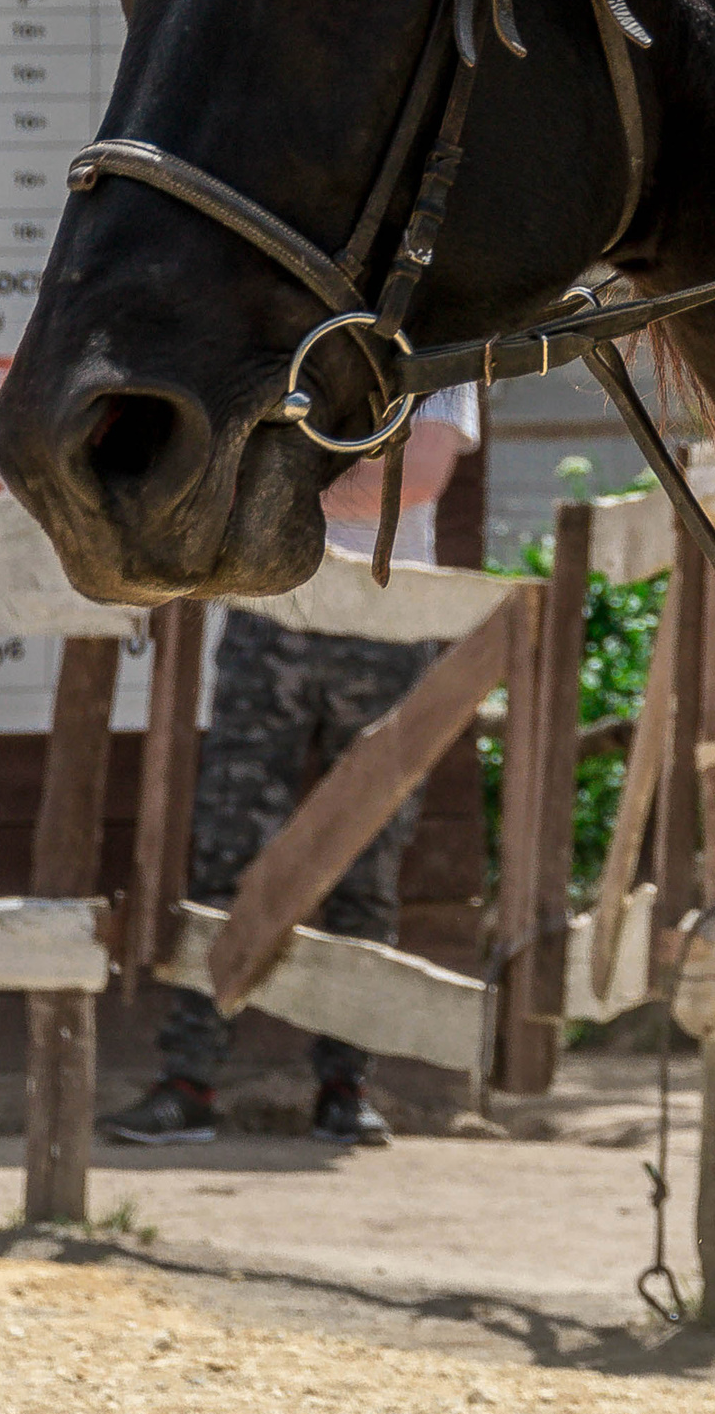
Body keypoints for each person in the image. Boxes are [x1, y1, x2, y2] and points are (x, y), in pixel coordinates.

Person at [99, 384, 481, 1148]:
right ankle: (190, 1082)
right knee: (228, 852)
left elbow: (416, 479)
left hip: (385, 626)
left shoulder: (443, 345)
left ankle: (346, 1088)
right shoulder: (282, 323)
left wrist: (269, 492)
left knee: (365, 865)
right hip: (270, 614)